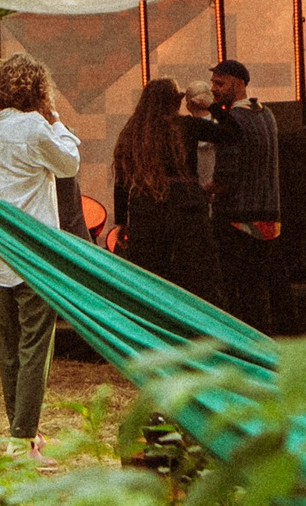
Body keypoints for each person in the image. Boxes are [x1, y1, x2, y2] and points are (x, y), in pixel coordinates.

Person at [0, 53, 81, 454]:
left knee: (8, 347)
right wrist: (56, 121)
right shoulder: (33, 126)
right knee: (35, 348)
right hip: (35, 250)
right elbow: (69, 165)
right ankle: (22, 437)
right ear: (37, 90)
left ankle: (20, 431)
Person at [190, 58, 286, 331]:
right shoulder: (267, 115)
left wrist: (202, 191)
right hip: (269, 218)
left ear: (239, 84)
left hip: (237, 219)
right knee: (258, 291)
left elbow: (225, 178)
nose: (214, 88)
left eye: (219, 83)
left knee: (233, 293)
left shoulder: (233, 120)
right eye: (213, 83)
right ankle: (263, 342)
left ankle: (237, 344)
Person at [112, 76, 224, 305]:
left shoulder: (133, 131)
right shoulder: (186, 126)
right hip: (187, 206)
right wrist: (211, 106)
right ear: (174, 101)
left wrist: (122, 220)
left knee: (150, 277)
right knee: (196, 276)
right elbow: (232, 133)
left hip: (146, 205)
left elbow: (121, 180)